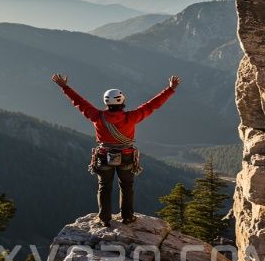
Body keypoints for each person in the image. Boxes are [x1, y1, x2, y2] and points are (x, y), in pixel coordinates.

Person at [51, 73, 180, 227]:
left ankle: (104, 218)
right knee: (126, 186)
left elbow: (79, 102)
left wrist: (65, 87)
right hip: (126, 155)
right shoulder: (131, 117)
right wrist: (170, 89)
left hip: (104, 156)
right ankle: (127, 217)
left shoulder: (97, 116)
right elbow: (152, 105)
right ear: (122, 101)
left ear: (106, 102)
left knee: (104, 187)